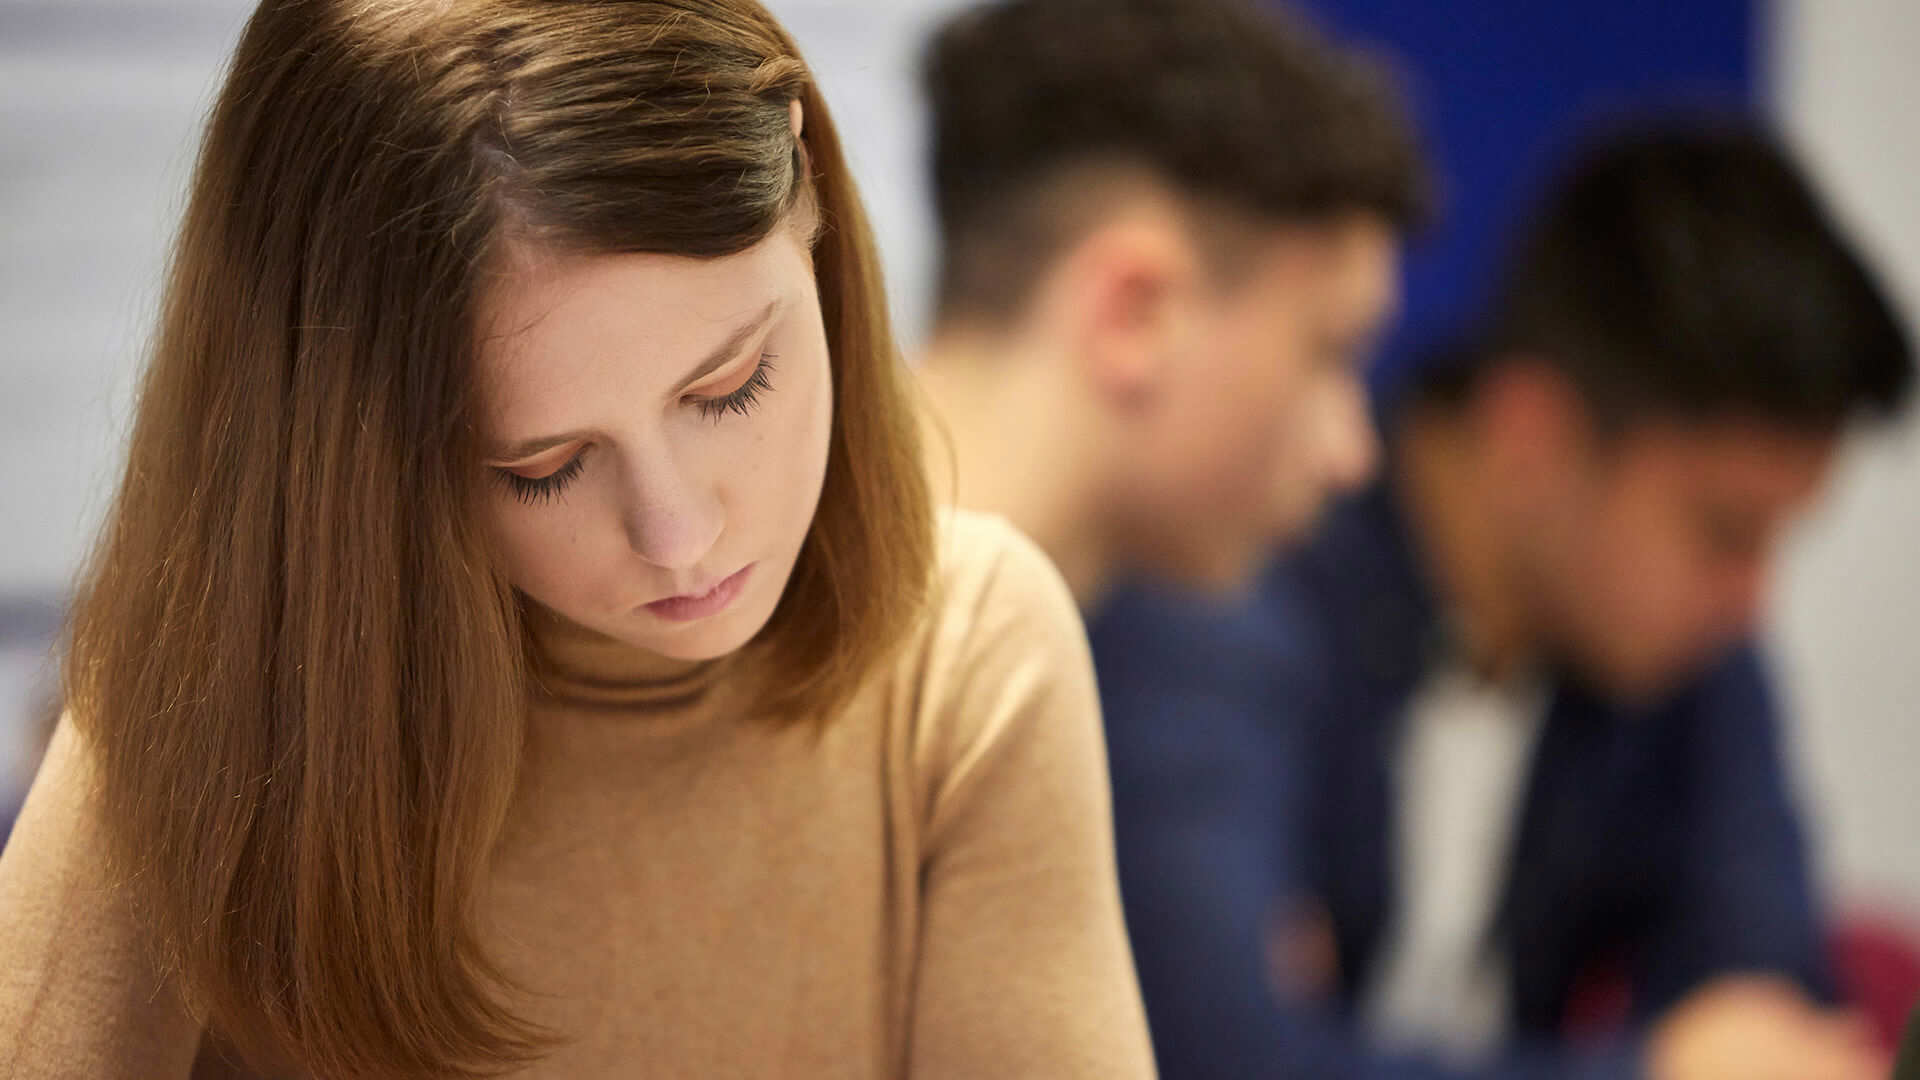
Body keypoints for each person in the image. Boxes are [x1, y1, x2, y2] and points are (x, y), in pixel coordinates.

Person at [0, 2, 1154, 1077]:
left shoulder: (968, 653)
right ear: (359, 474)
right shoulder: (210, 687)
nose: (681, 534)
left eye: (732, 388)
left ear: (806, 177)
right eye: (540, 468)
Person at [1092, 122, 1914, 1079]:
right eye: (1726, 533)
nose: (1753, 599)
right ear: (1534, 436)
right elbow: (1217, 1060)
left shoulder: (1683, 649)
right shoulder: (1232, 580)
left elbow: (1765, 1009)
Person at [915, 0, 1428, 608]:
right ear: (1135, 314)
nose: (1353, 456)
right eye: (1328, 352)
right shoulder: (846, 660)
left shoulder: (834, 592)